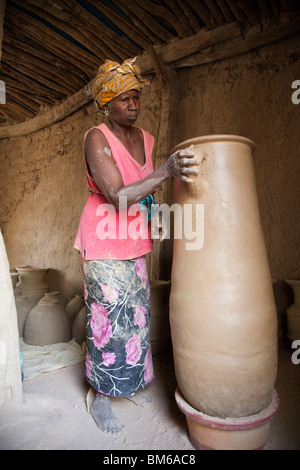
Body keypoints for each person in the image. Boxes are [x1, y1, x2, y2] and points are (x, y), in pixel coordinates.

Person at [74, 57, 199, 433]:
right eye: (124, 99)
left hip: (133, 239)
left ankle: (124, 383)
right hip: (103, 241)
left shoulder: (145, 137)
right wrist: (166, 170)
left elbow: (143, 192)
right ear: (106, 103)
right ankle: (101, 395)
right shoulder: (97, 137)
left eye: (136, 97)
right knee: (108, 323)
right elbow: (117, 196)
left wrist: (157, 212)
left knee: (136, 319)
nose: (133, 105)